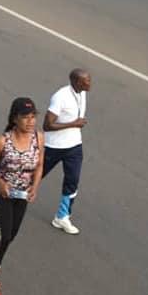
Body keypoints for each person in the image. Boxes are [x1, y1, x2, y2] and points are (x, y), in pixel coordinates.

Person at [0, 97, 44, 295]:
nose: (31, 121)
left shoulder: (39, 138)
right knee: (3, 238)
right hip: (0, 195)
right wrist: (0, 183)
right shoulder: (2, 141)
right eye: (26, 117)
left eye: (33, 117)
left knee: (9, 236)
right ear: (15, 119)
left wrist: (35, 187)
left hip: (21, 197)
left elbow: (40, 164)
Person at [42, 69, 91, 235]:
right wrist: (73, 124)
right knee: (35, 174)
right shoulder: (60, 97)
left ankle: (62, 216)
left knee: (73, 179)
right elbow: (47, 125)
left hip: (74, 146)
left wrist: (75, 127)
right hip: (54, 146)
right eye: (86, 81)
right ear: (76, 82)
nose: (89, 83)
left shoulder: (82, 93)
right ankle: (11, 193)